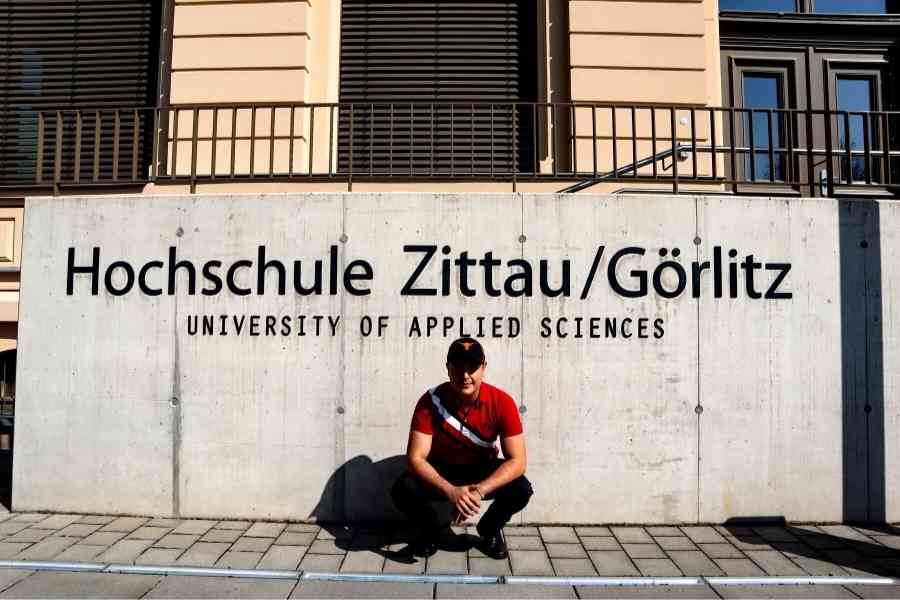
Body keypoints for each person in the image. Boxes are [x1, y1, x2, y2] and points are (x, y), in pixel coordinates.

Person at [391, 337, 533, 559]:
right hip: (443, 469)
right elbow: (415, 459)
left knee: (521, 489)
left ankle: (489, 530)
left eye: (472, 367)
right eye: (458, 367)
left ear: (484, 368)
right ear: (448, 369)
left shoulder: (502, 402)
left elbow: (518, 461)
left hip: (480, 469)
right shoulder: (430, 402)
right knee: (403, 489)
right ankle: (432, 530)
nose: (465, 375)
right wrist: (450, 491)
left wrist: (479, 491)